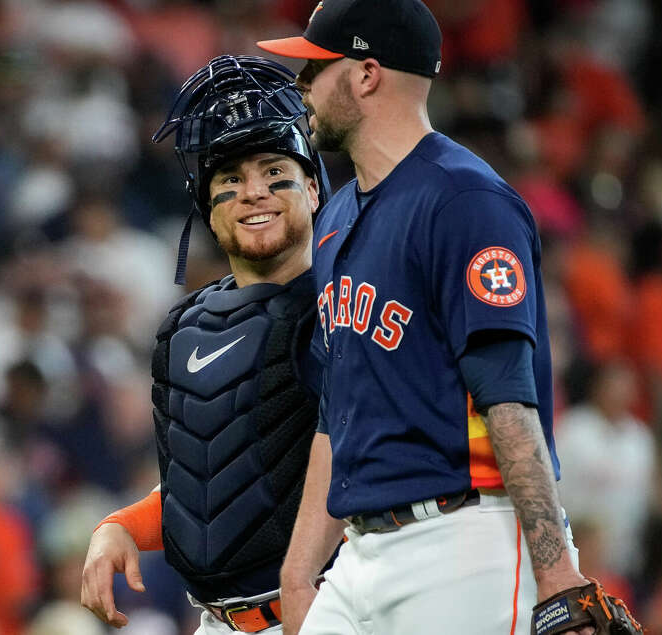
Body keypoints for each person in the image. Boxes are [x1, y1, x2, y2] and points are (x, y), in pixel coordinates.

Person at [255, 1, 640, 633]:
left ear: (366, 74)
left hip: (466, 542)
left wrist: (554, 571)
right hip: (358, 554)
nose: (301, 87)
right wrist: (299, 573)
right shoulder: (334, 218)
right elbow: (336, 408)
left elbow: (509, 397)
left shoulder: (464, 200)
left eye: (314, 68)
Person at [80, 55, 331, 634]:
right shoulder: (185, 327)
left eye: (274, 172)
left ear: (314, 188)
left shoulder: (345, 304)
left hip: (330, 608)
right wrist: (120, 525)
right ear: (206, 207)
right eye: (231, 180)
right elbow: (213, 481)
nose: (254, 193)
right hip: (216, 623)